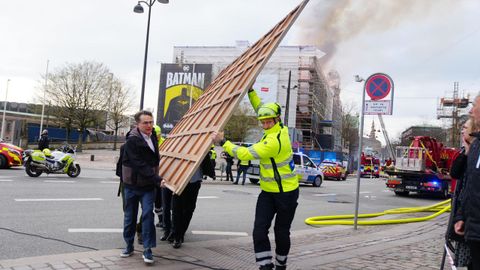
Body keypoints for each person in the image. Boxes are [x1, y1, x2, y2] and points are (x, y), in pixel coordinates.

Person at [212, 88, 299, 270]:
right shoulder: (277, 126)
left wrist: (223, 142)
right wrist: (250, 91)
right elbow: (260, 106)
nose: (265, 125)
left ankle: (281, 264)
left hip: (286, 194)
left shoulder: (274, 141)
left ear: (277, 119)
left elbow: (244, 153)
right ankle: (265, 266)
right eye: (263, 122)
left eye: (268, 122)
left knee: (281, 232)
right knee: (259, 231)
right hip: (267, 193)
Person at [120, 110, 162, 264]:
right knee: (130, 217)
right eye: (145, 122)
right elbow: (139, 164)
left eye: (151, 122)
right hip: (131, 185)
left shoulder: (154, 138)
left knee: (148, 216)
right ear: (137, 124)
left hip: (148, 186)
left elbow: (154, 160)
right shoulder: (132, 140)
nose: (149, 125)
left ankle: (147, 249)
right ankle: (129, 245)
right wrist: (157, 178)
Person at [454, 94, 480, 270]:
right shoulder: (477, 146)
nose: (471, 110)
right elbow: (470, 185)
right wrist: (461, 216)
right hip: (474, 230)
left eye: (474, 105)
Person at [170, 150, 215, 249]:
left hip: (194, 181)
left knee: (188, 210)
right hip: (178, 181)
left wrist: (211, 172)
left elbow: (206, 159)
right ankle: (176, 236)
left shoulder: (201, 144)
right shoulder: (179, 143)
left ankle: (179, 234)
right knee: (176, 209)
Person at [447, 118, 476, 268]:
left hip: (470, 213)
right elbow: (455, 173)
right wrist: (465, 152)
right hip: (463, 211)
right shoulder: (464, 151)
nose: (462, 130)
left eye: (465, 127)